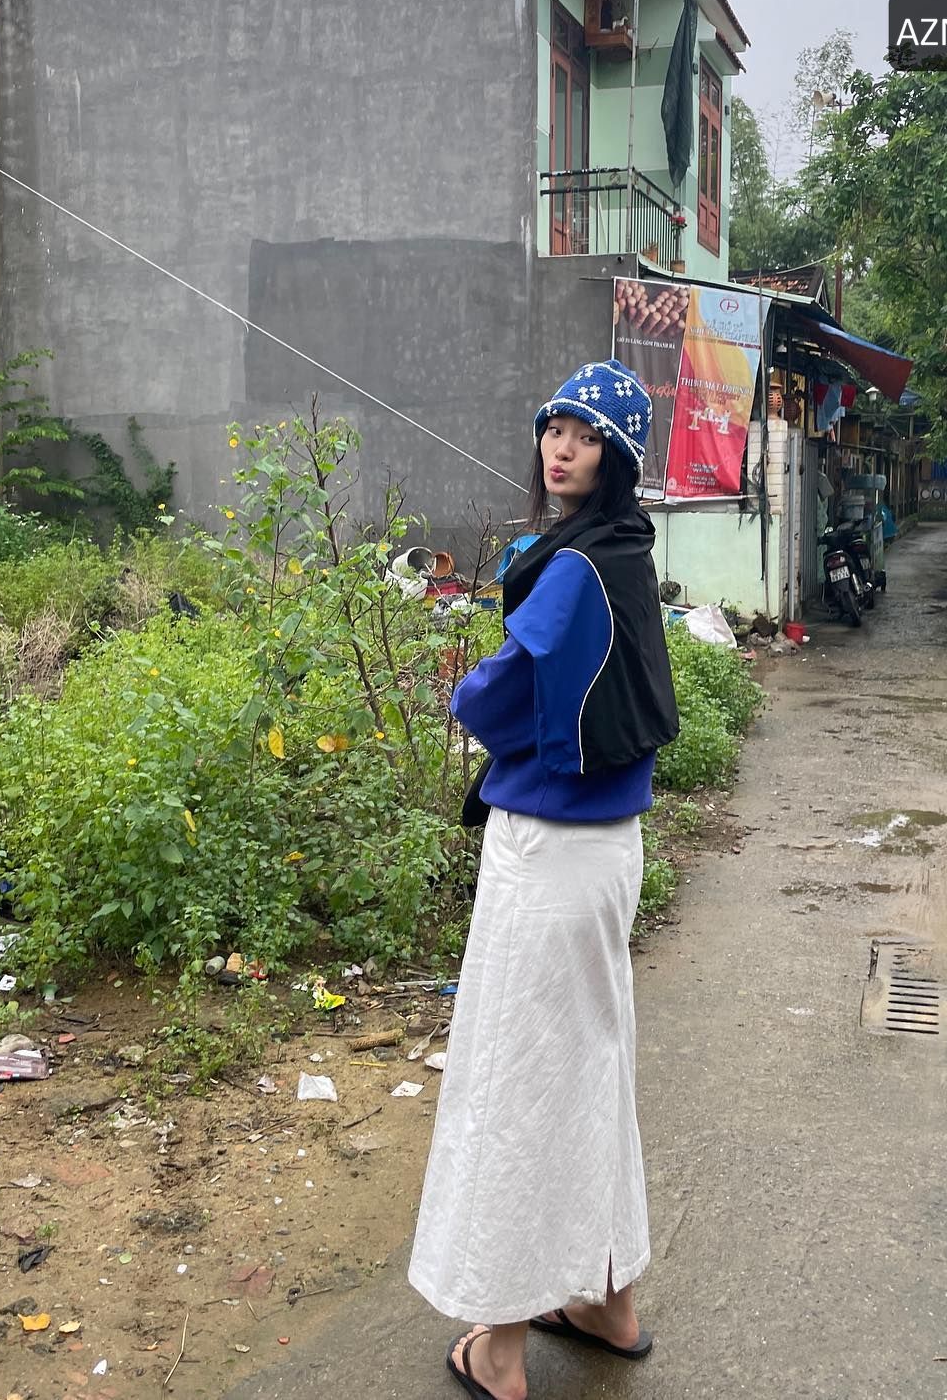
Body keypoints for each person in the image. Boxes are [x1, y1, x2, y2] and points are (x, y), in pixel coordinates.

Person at [408, 360, 680, 1400]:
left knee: (518, 1080)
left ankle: (503, 1348)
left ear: (617, 457)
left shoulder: (571, 568)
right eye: (554, 427)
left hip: (548, 857)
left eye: (587, 435)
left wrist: (464, 690)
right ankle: (607, 1299)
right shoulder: (624, 549)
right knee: (592, 1066)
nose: (561, 447)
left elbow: (500, 690)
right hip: (609, 851)